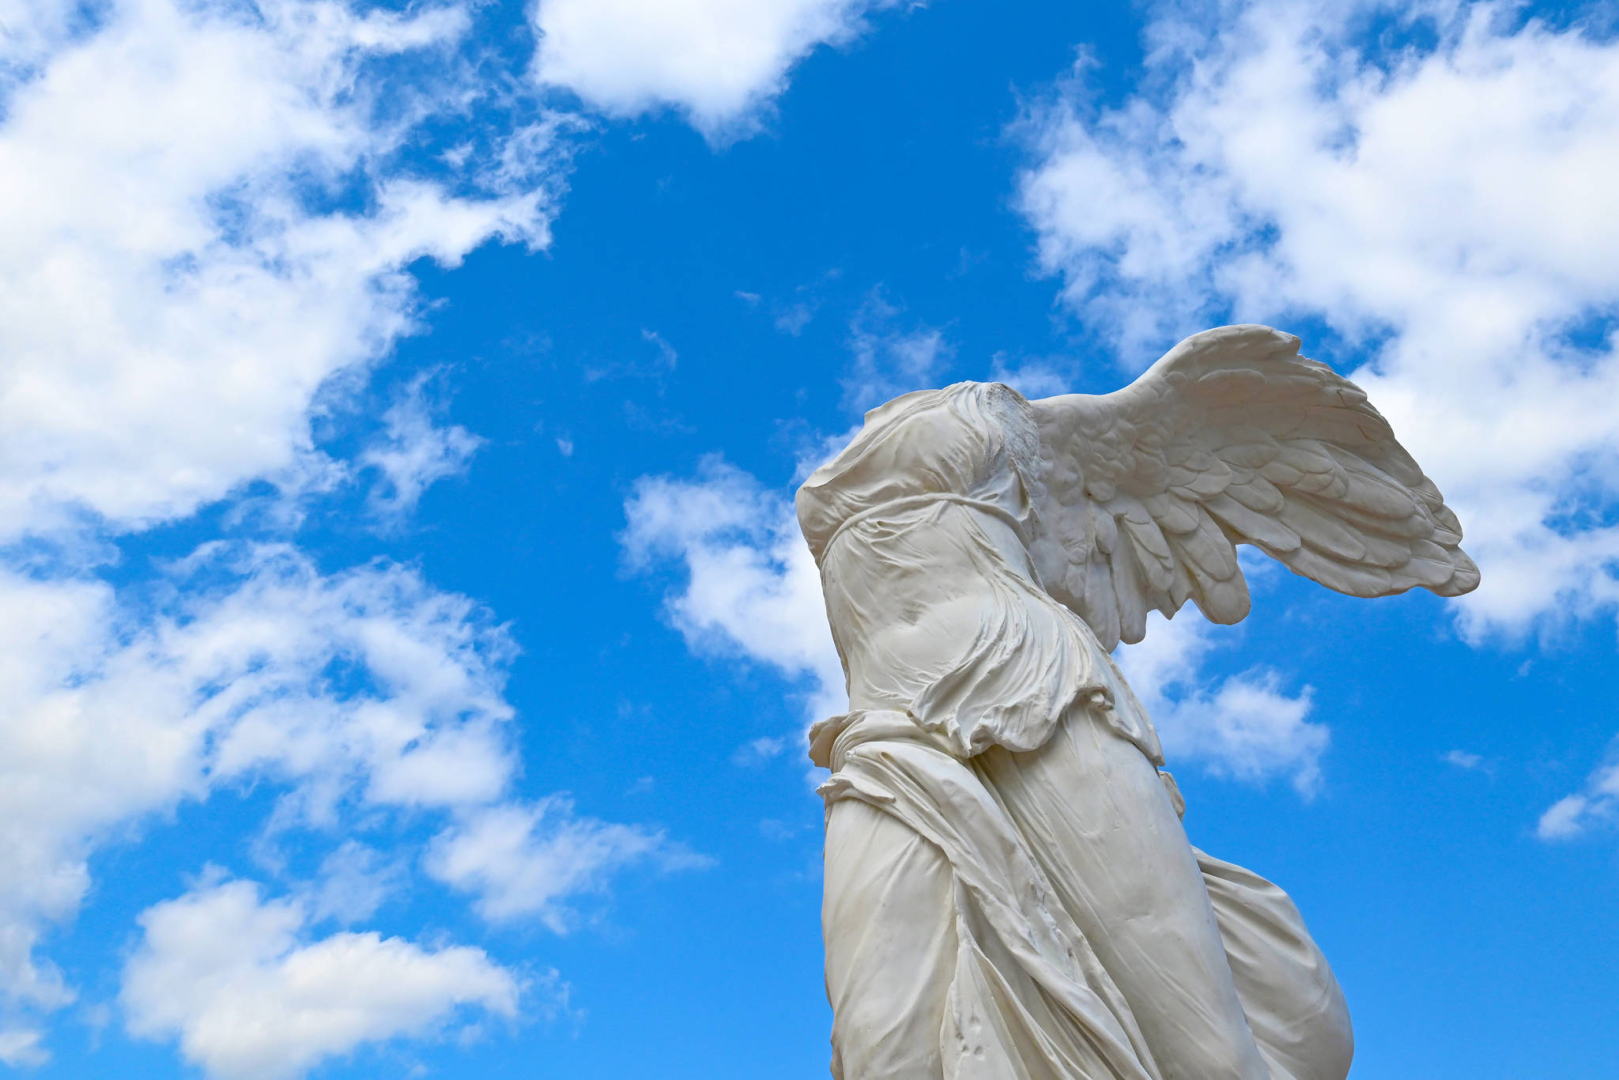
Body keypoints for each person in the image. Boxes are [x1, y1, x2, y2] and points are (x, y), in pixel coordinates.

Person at [796, 325, 1477, 1080]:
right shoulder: (866, 449)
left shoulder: (1038, 431)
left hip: (1033, 693)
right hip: (883, 732)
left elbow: (1071, 563)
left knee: (1205, 1056)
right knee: (882, 1048)